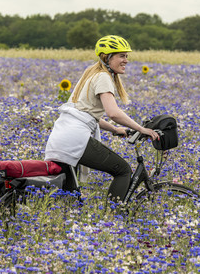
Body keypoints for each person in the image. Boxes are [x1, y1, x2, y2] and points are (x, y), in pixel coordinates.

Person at [44, 35, 159, 202]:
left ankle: (65, 223)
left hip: (61, 138)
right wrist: (141, 129)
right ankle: (113, 217)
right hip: (75, 139)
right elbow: (113, 113)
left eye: (126, 56)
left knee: (69, 198)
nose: (126, 60)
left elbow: (86, 113)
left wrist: (114, 129)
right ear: (108, 57)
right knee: (123, 170)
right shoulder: (103, 77)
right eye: (121, 55)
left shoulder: (91, 73)